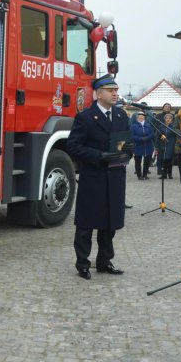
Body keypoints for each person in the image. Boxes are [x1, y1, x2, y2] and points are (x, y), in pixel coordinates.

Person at [67, 74, 133, 280]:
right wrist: (99, 156)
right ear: (98, 93)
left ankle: (104, 261)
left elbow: (128, 143)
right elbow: (73, 146)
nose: (115, 94)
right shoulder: (86, 117)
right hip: (93, 177)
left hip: (115, 177)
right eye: (110, 90)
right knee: (86, 224)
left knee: (110, 223)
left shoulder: (122, 116)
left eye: (116, 90)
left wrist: (127, 153)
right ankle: (83, 263)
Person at [131, 112, 154, 180]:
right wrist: (141, 139)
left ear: (144, 118)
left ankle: (145, 174)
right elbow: (132, 136)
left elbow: (152, 134)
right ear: (137, 118)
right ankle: (139, 175)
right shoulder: (133, 126)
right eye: (139, 117)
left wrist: (147, 138)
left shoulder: (148, 125)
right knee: (138, 161)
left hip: (148, 145)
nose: (141, 118)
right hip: (138, 145)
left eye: (142, 116)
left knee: (147, 161)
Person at [155, 113, 176, 179]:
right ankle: (164, 174)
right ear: (164, 119)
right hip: (162, 145)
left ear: (172, 120)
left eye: (169, 118)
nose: (168, 119)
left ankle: (170, 174)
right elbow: (157, 137)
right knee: (163, 160)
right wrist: (157, 146)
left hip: (170, 145)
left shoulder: (174, 127)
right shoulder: (161, 126)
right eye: (167, 118)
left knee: (169, 160)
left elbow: (175, 136)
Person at [155, 103, 173, 175]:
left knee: (168, 158)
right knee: (160, 157)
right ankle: (160, 170)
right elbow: (156, 126)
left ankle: (168, 172)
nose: (167, 108)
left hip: (169, 142)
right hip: (160, 138)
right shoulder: (158, 115)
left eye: (169, 107)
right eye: (166, 106)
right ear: (163, 108)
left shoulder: (173, 117)